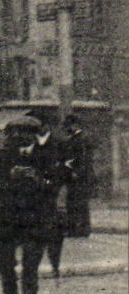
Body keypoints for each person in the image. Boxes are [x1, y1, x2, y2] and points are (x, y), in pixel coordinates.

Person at [0, 115, 61, 294]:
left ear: (34, 135)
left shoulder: (47, 156)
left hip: (35, 216)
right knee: (3, 258)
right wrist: (10, 178)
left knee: (31, 260)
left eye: (27, 133)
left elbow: (54, 184)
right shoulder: (1, 156)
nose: (21, 137)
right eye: (16, 133)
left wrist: (37, 180)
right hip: (7, 215)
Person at [52, 115, 95, 277]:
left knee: (79, 203)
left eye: (68, 126)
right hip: (75, 176)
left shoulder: (82, 139)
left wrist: (77, 171)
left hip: (80, 177)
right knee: (74, 202)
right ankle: (77, 228)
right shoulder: (77, 138)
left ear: (74, 125)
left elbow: (84, 159)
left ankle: (81, 228)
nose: (66, 129)